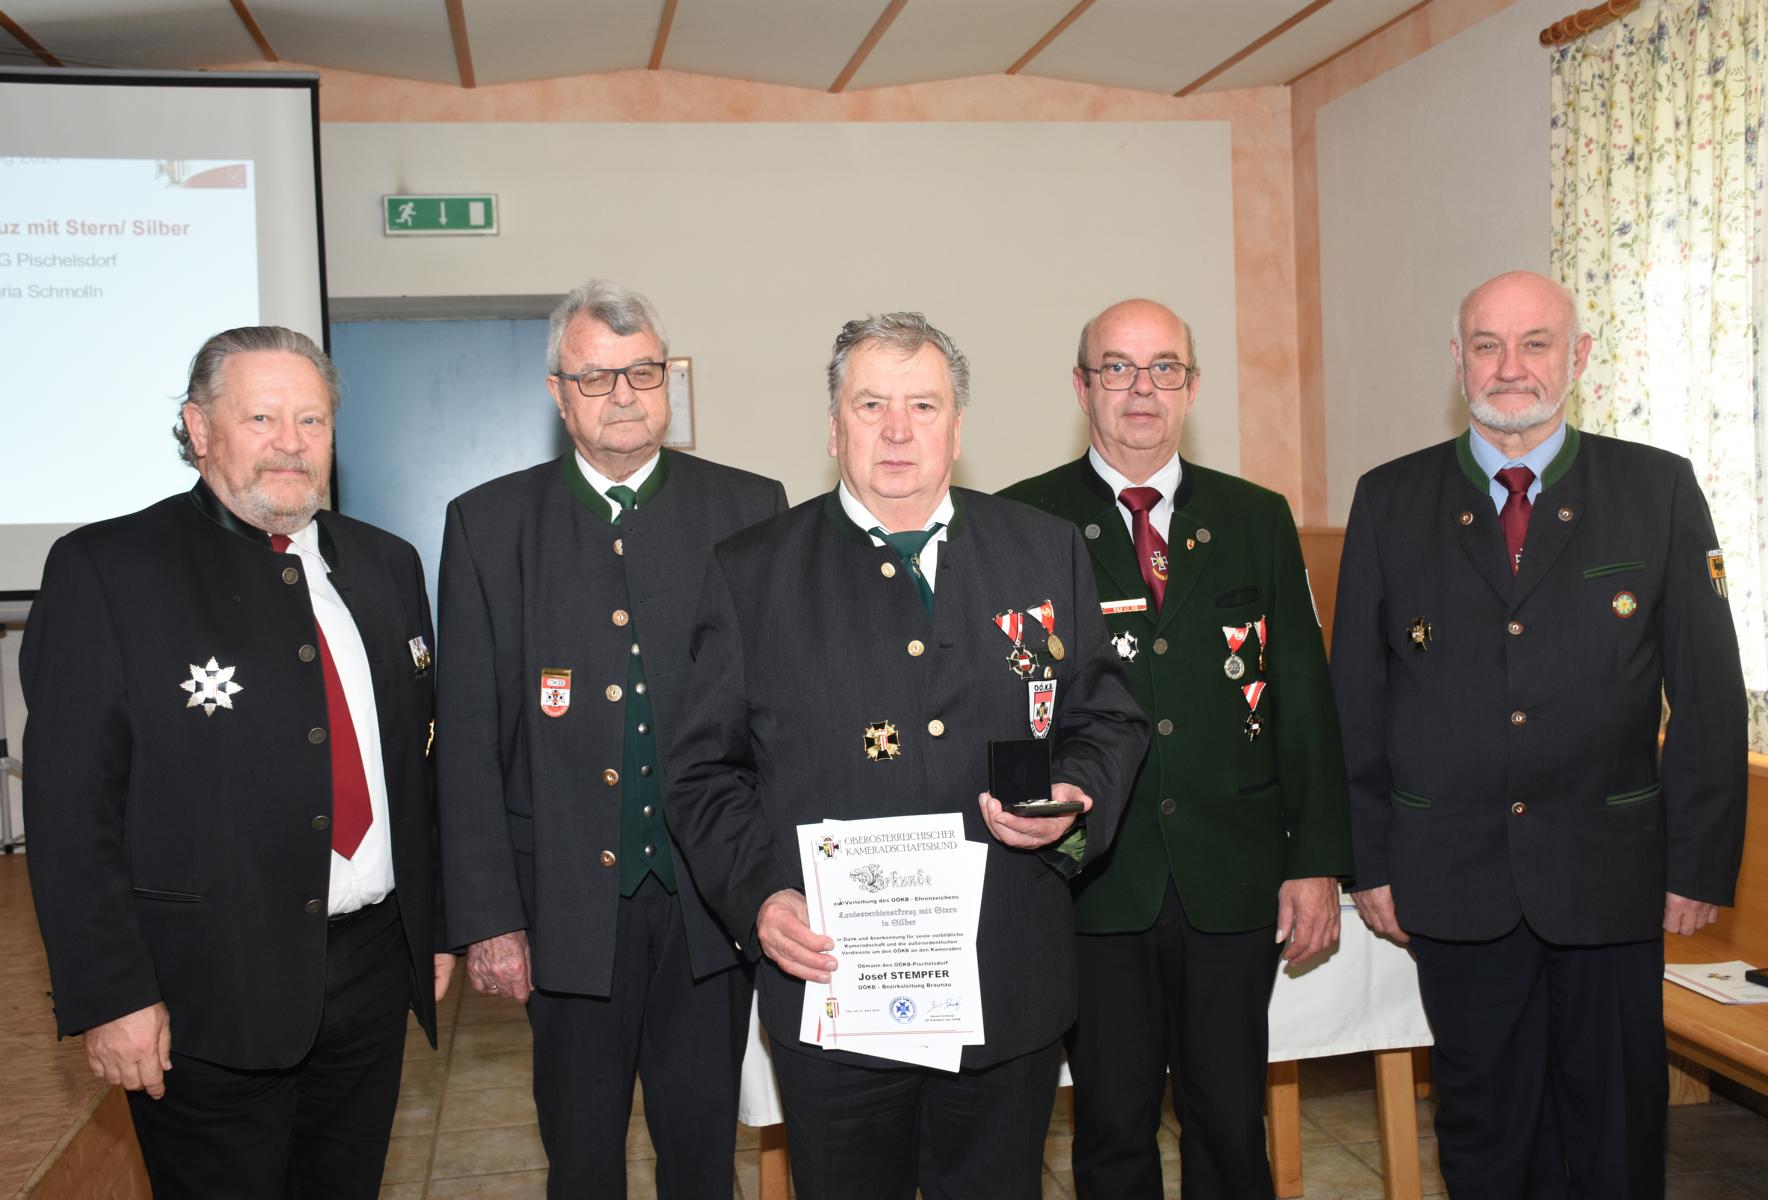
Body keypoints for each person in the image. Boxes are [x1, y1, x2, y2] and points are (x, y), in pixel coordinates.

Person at [664, 312, 1148, 1199]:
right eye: (871, 405)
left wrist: (1078, 793)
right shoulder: (752, 571)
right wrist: (759, 896)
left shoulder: (1042, 550)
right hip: (836, 994)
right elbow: (703, 772)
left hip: (1007, 985)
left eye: (923, 406)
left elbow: (1106, 718)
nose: (897, 430)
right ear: (833, 426)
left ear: (957, 427)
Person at [1331, 270, 1748, 1198]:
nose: (1509, 367)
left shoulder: (1656, 489)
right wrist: (1369, 862)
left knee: (1614, 1132)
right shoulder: (1391, 498)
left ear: (1579, 356)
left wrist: (1697, 864)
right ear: (1458, 360)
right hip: (1453, 878)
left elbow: (1710, 694)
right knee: (1484, 1133)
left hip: (1613, 877)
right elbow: (1355, 699)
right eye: (1487, 345)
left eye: (1535, 344)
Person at [22, 326, 452, 1197]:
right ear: (199, 428)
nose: (291, 443)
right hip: (204, 995)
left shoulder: (388, 564)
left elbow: (419, 767)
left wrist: (433, 926)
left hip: (371, 975)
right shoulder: (107, 570)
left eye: (312, 420)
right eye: (262, 418)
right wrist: (112, 995)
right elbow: (71, 813)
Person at [435, 280, 786, 1197]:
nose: (623, 395)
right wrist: (490, 919)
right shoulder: (489, 525)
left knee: (702, 1158)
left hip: (711, 903)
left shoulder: (750, 508)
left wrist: (775, 881)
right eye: (596, 377)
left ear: (669, 381)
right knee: (582, 1158)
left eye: (643, 372)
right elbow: (467, 740)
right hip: (564, 910)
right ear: (559, 394)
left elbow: (774, 722)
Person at [1000, 298, 1351, 1197]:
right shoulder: (1021, 519)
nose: (1141, 389)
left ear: (1192, 386)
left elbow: (1301, 696)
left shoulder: (1254, 517)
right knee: (1111, 1124)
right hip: (1092, 880)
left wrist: (1315, 860)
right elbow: (1008, 703)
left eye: (1163, 368)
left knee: (1230, 1121)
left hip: (1231, 876)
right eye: (1116, 367)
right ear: (1082, 387)